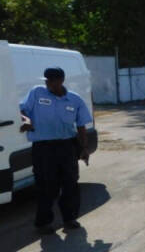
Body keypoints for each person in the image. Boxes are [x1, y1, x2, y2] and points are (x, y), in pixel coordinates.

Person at [19, 67, 92, 233]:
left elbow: (81, 126)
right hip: (43, 148)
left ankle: (70, 218)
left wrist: (84, 148)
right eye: (46, 80)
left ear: (61, 81)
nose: (47, 83)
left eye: (51, 80)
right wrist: (26, 120)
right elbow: (22, 110)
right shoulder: (37, 93)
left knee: (70, 183)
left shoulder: (74, 100)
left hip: (66, 146)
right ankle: (44, 223)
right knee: (46, 186)